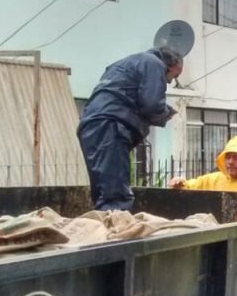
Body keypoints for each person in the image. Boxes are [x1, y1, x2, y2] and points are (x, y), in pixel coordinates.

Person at [78, 47, 183, 210]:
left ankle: (105, 227)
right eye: (175, 76)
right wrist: (166, 113)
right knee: (115, 196)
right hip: (110, 125)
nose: (169, 81)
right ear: (174, 64)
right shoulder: (154, 63)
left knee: (102, 190)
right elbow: (151, 105)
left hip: (90, 125)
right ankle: (118, 232)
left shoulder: (123, 64)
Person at [167, 136, 237, 195]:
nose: (230, 162)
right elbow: (193, 185)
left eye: (236, 157)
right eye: (228, 157)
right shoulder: (214, 179)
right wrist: (180, 183)